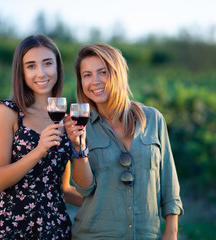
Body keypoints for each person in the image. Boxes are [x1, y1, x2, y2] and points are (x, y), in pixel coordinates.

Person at [64, 43, 184, 240]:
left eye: (102, 72)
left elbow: (169, 181)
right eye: (87, 75)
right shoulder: (81, 127)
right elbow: (85, 189)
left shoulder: (153, 119)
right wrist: (79, 148)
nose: (95, 81)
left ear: (117, 74)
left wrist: (171, 232)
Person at [0, 34, 82, 240]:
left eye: (47, 63)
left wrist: (107, 203)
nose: (41, 73)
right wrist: (39, 150)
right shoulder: (9, 111)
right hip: (13, 224)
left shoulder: (65, 118)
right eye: (31, 66)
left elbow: (62, 189)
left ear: (57, 67)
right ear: (21, 72)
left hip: (55, 227)